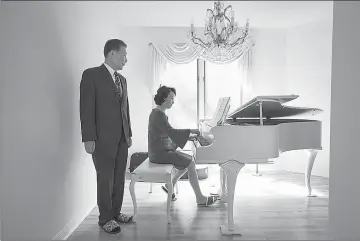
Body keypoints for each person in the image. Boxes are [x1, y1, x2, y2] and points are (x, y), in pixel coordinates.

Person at [80, 39, 133, 234]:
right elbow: (86, 108)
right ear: (112, 53)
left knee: (119, 178)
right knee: (105, 179)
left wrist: (129, 134)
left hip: (122, 139)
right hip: (101, 139)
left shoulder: (123, 80)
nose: (126, 59)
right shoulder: (91, 75)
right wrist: (88, 137)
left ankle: (116, 213)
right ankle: (105, 219)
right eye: (124, 55)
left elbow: (125, 109)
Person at [148, 85, 219, 206]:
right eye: (171, 98)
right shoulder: (158, 114)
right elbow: (171, 132)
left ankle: (170, 184)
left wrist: (188, 136)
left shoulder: (158, 112)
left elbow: (168, 132)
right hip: (159, 153)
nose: (173, 101)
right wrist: (191, 131)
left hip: (160, 149)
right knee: (190, 163)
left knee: (187, 161)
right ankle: (200, 199)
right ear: (163, 98)